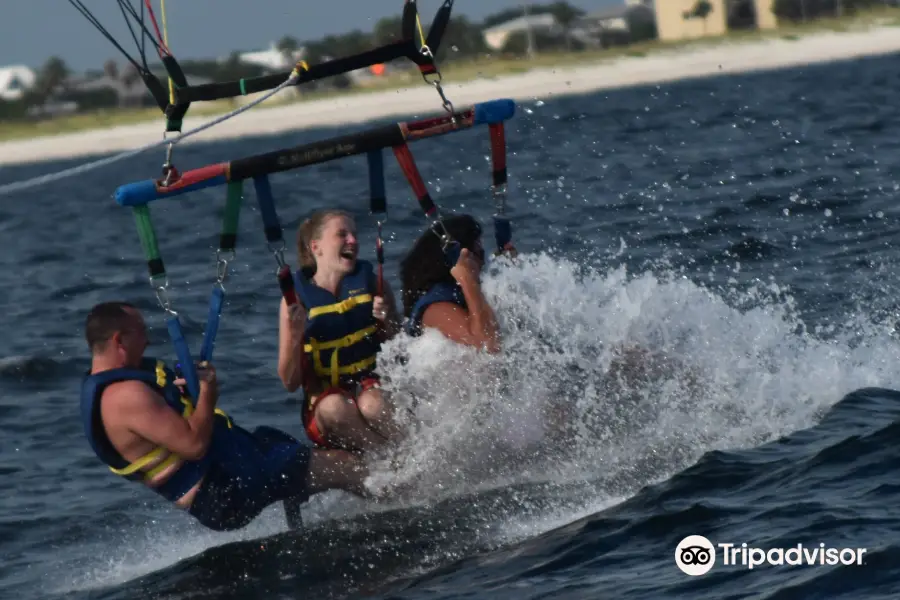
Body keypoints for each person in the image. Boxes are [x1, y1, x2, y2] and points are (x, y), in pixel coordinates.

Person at [79, 301, 372, 532]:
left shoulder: (109, 387)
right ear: (119, 340)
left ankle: (302, 509)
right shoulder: (126, 396)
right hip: (226, 490)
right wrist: (208, 392)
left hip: (228, 473)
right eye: (141, 331)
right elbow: (194, 445)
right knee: (343, 465)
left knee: (279, 443)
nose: (148, 339)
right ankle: (407, 499)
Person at [277, 209, 403, 454]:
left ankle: (402, 454)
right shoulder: (295, 302)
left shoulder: (372, 283)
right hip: (326, 402)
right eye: (342, 235)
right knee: (335, 407)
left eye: (354, 235)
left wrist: (387, 320)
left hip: (372, 387)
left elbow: (400, 347)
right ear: (316, 247)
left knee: (373, 404)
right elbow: (290, 382)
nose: (353, 241)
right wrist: (296, 335)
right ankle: (389, 460)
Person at [400, 214, 515, 352]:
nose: (483, 262)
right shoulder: (436, 309)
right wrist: (467, 279)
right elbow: (488, 345)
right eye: (480, 254)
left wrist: (510, 269)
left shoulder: (461, 296)